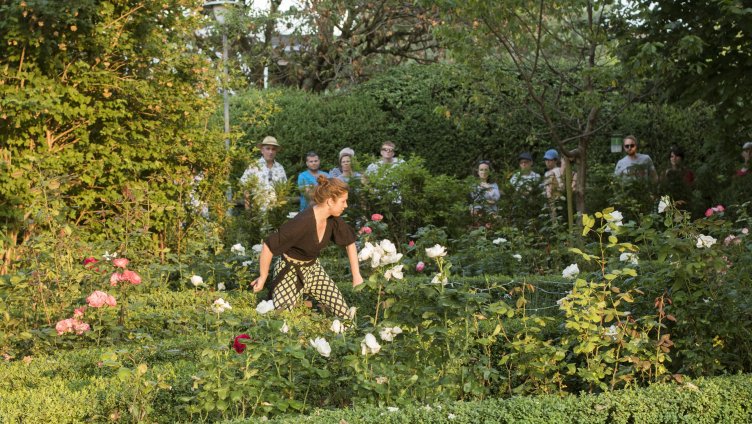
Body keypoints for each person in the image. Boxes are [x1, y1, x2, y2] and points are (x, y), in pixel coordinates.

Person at [251, 176, 363, 319]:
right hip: (289, 271)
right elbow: (269, 245)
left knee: (344, 315)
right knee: (283, 320)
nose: (346, 205)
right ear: (330, 201)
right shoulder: (302, 222)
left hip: (313, 269)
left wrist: (356, 275)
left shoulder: (333, 219)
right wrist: (263, 276)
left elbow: (349, 242)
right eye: (343, 201)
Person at [239, 136, 287, 210]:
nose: (270, 152)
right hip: (257, 211)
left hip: (276, 212)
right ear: (262, 150)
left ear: (276, 151)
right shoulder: (253, 166)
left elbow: (283, 190)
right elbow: (245, 187)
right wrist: (248, 209)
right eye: (268, 148)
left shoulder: (280, 168)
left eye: (273, 149)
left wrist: (282, 210)